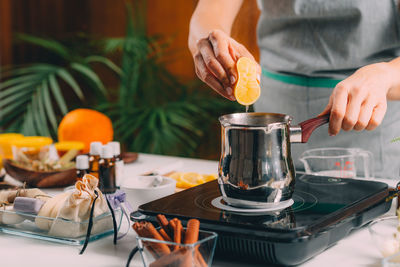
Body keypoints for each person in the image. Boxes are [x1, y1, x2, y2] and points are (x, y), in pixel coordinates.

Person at [188, 0, 400, 179]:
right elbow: (208, 15)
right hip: (275, 110)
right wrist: (210, 42)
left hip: (369, 129)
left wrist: (387, 74)